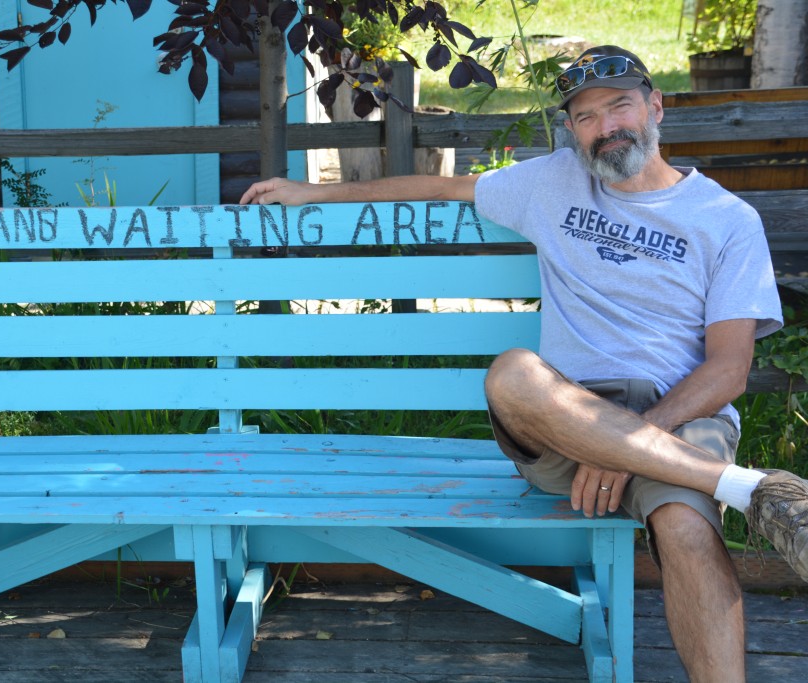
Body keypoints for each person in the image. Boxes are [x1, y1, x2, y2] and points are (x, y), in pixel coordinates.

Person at [241, 45, 808, 683]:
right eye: (586, 117)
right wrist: (316, 192)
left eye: (619, 105)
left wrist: (628, 442)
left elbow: (729, 370)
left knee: (685, 529)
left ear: (655, 106)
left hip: (681, 416)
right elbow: (438, 185)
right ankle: (752, 491)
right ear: (571, 129)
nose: (605, 127)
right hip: (559, 413)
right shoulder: (552, 180)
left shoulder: (728, 221)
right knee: (512, 371)